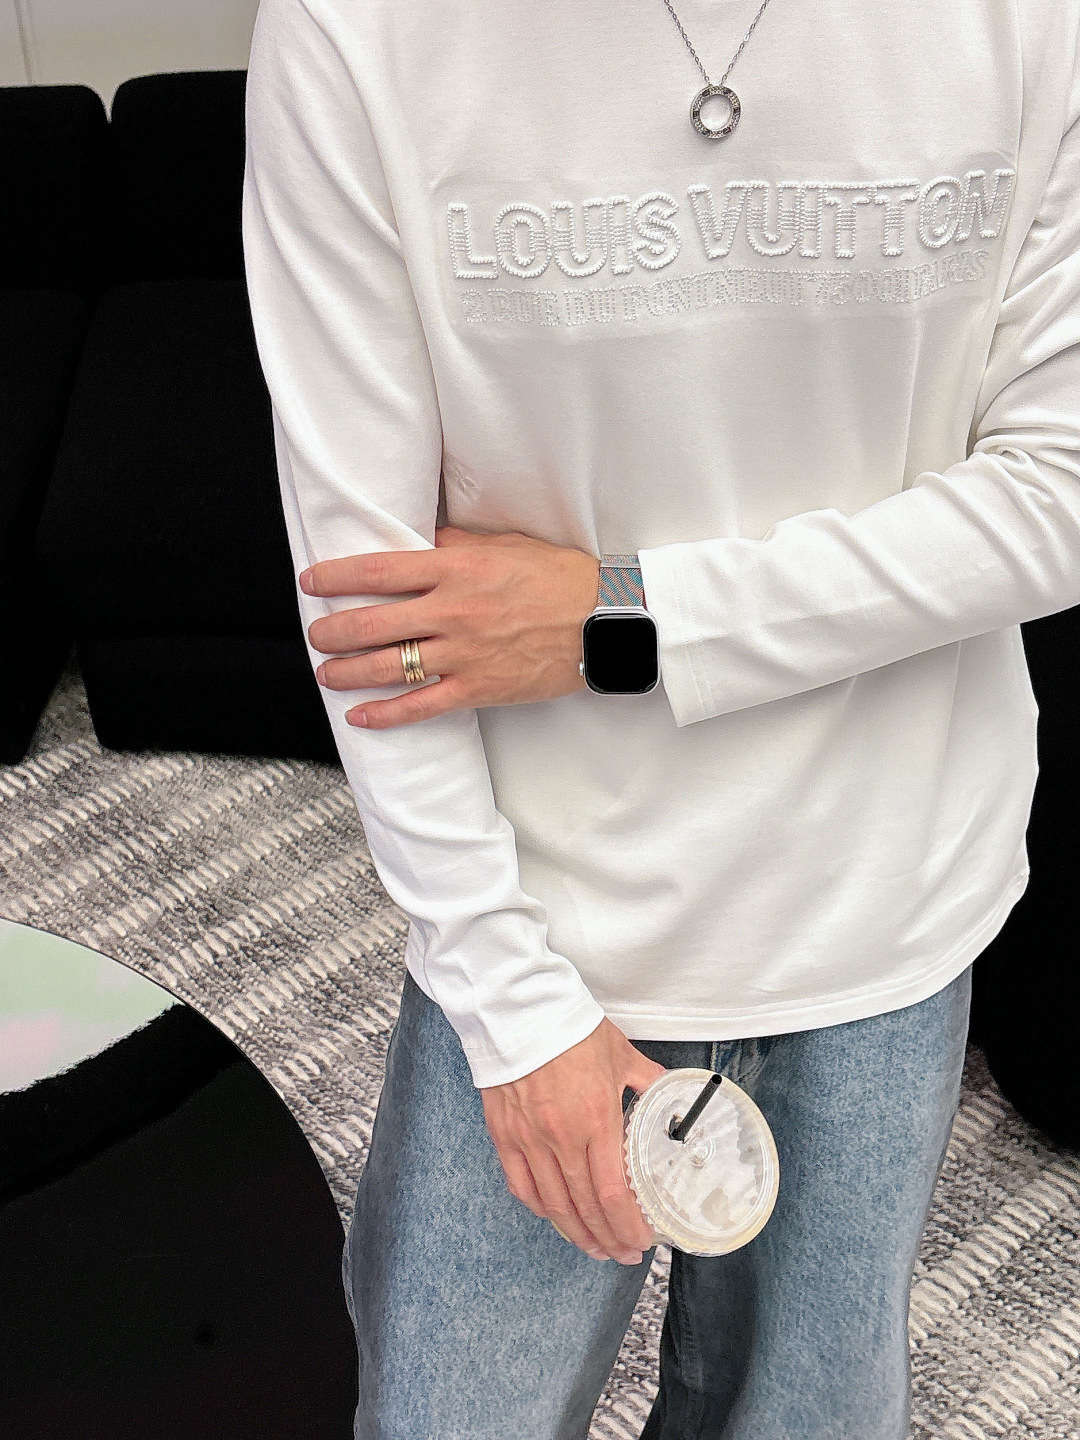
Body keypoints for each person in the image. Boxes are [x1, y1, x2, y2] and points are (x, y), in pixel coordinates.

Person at [241, 1, 1080, 1434]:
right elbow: (377, 607)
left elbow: (1057, 492)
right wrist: (508, 1002)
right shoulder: (357, 28)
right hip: (546, 919)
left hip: (893, 898)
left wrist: (624, 620)